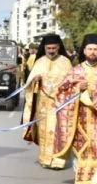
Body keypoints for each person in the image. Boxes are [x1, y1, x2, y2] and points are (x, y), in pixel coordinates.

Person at [52, 34, 97, 184]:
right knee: (80, 151)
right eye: (89, 49)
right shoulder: (75, 71)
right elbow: (60, 93)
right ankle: (82, 180)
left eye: (96, 49)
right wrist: (76, 88)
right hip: (78, 118)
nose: (92, 52)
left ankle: (96, 183)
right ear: (83, 51)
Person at [21, 34, 72, 169]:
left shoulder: (65, 62)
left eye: (53, 48)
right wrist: (34, 80)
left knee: (58, 130)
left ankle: (58, 160)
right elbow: (29, 83)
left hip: (60, 104)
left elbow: (72, 82)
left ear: (58, 47)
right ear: (44, 48)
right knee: (44, 131)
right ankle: (45, 158)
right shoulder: (40, 62)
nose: (51, 51)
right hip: (43, 104)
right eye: (48, 48)